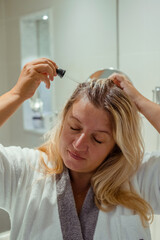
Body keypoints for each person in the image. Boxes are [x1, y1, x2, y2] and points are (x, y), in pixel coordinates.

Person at [0, 57, 160, 240]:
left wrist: (140, 101)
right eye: (74, 128)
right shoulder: (23, 170)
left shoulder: (140, 178)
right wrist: (16, 94)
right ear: (62, 119)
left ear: (116, 145)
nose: (78, 145)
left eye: (98, 139)